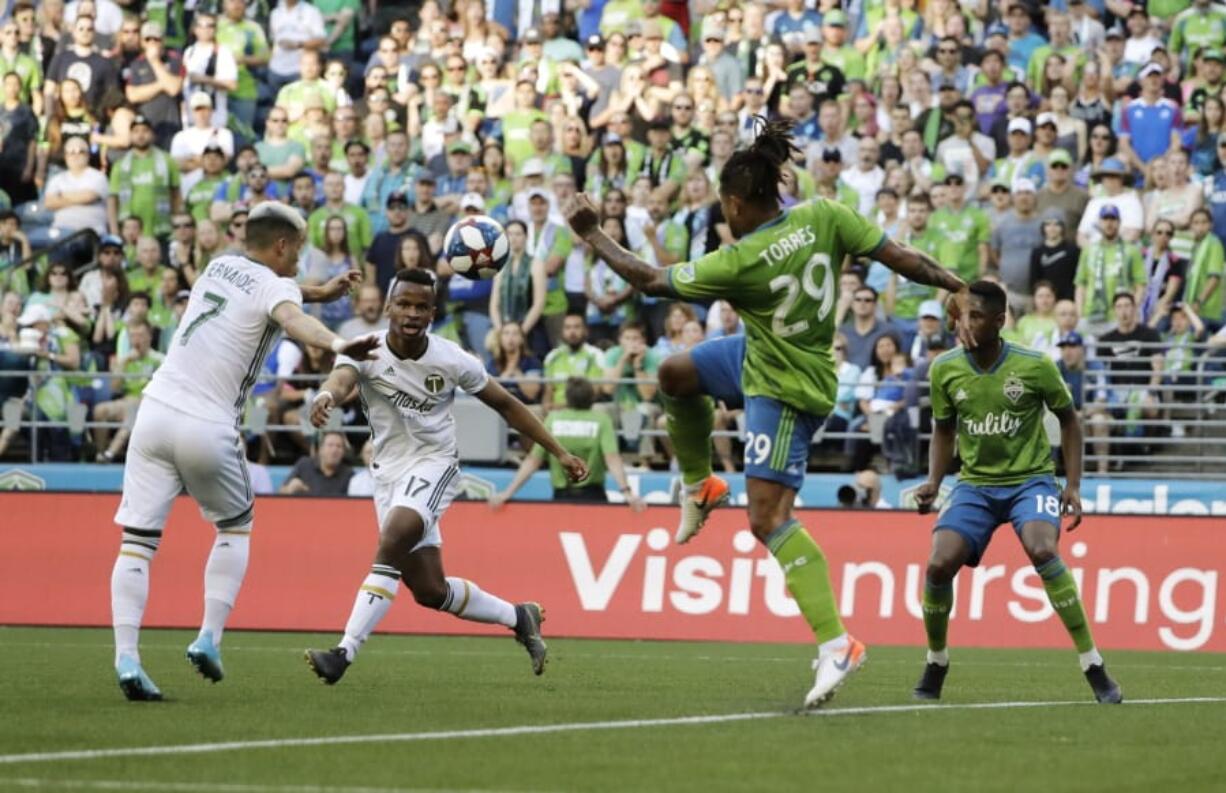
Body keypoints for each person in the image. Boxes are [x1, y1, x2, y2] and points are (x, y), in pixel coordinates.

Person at [562, 118, 966, 709]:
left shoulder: (743, 259)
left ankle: (837, 643)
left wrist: (592, 233)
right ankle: (701, 485)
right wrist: (955, 286)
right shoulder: (825, 214)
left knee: (767, 520)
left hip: (786, 386)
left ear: (733, 203)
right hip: (758, 354)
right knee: (675, 372)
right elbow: (901, 256)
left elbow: (648, 280)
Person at [107, 202, 380, 701]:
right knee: (235, 527)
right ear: (280, 245)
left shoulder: (218, 265)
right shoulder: (277, 288)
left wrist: (320, 291)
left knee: (138, 543)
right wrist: (341, 343)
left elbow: (276, 295)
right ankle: (208, 638)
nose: (302, 258)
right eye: (298, 248)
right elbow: (292, 318)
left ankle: (127, 657)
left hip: (152, 413)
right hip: (207, 425)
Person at [302, 268, 589, 684]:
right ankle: (520, 616)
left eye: (421, 306)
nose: (412, 313)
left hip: (435, 464)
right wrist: (327, 394)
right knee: (430, 590)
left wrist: (559, 451)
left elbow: (507, 404)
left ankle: (343, 652)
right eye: (404, 304)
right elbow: (341, 377)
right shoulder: (364, 350)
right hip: (387, 474)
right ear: (388, 307)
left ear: (433, 312)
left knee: (394, 538)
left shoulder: (452, 359)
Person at [913, 279, 1121, 706]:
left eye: (974, 316)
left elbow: (1070, 421)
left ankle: (1093, 665)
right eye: (960, 315)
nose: (964, 324)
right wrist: (935, 481)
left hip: (1031, 480)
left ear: (999, 320)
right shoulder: (945, 368)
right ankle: (936, 661)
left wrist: (1074, 485)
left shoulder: (1035, 365)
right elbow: (943, 430)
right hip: (975, 484)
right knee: (937, 565)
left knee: (1043, 550)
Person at [491, 375, 645, 508]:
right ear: (592, 397)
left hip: (561, 498)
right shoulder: (602, 420)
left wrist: (508, 492)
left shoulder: (553, 419)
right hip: (594, 497)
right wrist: (626, 492)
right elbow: (612, 458)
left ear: (567, 397)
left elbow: (533, 461)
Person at [279, 430, 353, 495]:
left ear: (343, 452)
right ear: (320, 449)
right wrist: (290, 489)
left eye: (339, 446)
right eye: (330, 445)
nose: (334, 450)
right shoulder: (304, 465)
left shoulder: (348, 474)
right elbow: (281, 492)